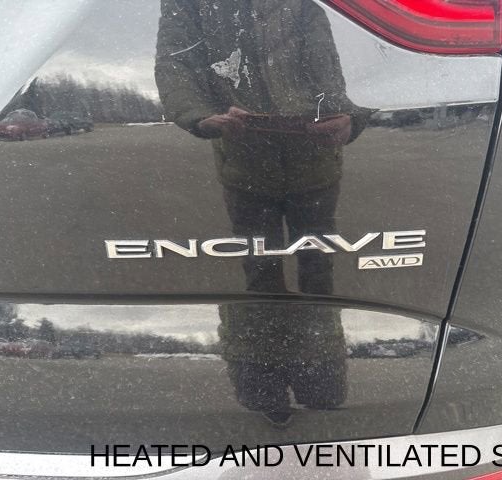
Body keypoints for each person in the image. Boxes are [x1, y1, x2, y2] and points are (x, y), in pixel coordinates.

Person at [155, 0, 370, 427]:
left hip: (315, 164)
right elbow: (175, 60)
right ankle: (263, 387)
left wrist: (355, 115)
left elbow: (353, 54)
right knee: (260, 275)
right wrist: (199, 116)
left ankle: (321, 384)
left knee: (317, 271)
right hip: (245, 167)